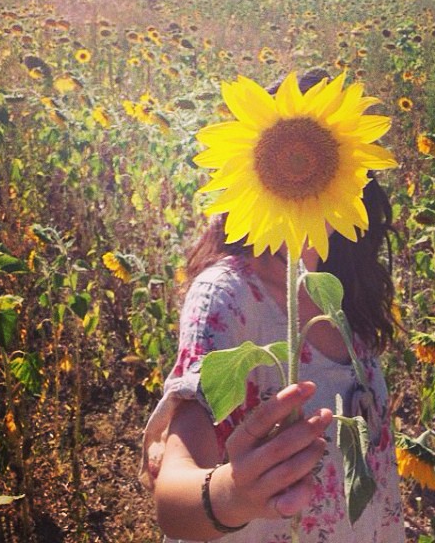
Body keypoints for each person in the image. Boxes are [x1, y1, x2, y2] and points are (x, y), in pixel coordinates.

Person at [139, 72, 406, 543]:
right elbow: (173, 498)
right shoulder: (227, 297)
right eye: (283, 157)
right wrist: (230, 495)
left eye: (317, 158)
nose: (298, 164)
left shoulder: (340, 298)